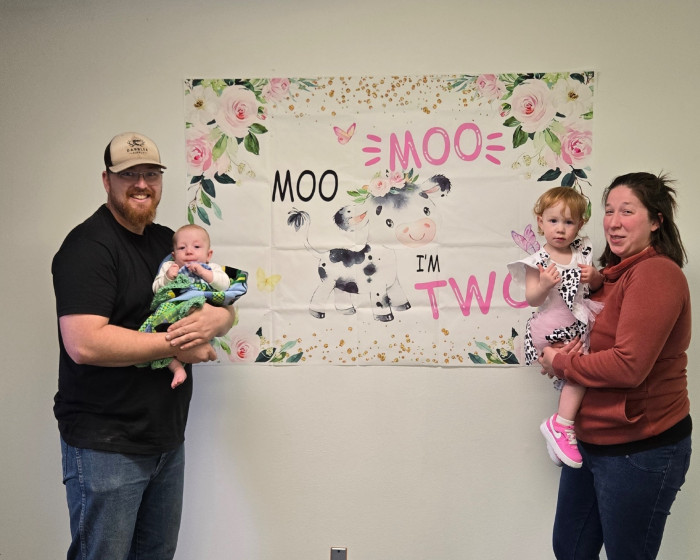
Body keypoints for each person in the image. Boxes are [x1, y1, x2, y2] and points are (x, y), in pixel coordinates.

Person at [52, 132, 236, 560]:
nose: (141, 184)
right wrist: (178, 345)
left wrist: (221, 318)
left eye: (151, 174)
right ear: (107, 180)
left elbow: (221, 298)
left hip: (166, 439)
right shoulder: (87, 247)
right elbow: (85, 343)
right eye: (128, 174)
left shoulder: (169, 242)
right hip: (106, 444)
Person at [539, 172, 692, 559]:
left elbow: (628, 366)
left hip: (639, 449)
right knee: (570, 549)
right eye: (609, 211)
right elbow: (592, 340)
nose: (614, 222)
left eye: (627, 211)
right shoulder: (607, 275)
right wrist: (561, 350)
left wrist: (563, 363)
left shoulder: (656, 273)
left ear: (655, 221)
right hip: (588, 442)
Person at [508, 186, 603, 468]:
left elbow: (596, 288)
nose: (560, 229)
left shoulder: (582, 253)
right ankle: (561, 425)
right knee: (578, 372)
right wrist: (544, 284)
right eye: (553, 221)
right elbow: (532, 299)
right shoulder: (536, 261)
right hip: (552, 325)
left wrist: (594, 276)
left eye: (568, 222)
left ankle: (560, 435)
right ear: (540, 221)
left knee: (576, 376)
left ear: (580, 224)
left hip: (577, 324)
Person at [143, 223, 245, 389]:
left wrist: (205, 273)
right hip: (172, 312)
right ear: (174, 254)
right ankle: (177, 369)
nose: (189, 251)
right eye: (182, 248)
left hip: (197, 310)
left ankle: (194, 353)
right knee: (158, 334)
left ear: (208, 254)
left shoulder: (212, 268)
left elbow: (224, 285)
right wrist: (168, 277)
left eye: (196, 247)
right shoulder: (169, 267)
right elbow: (157, 289)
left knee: (193, 336)